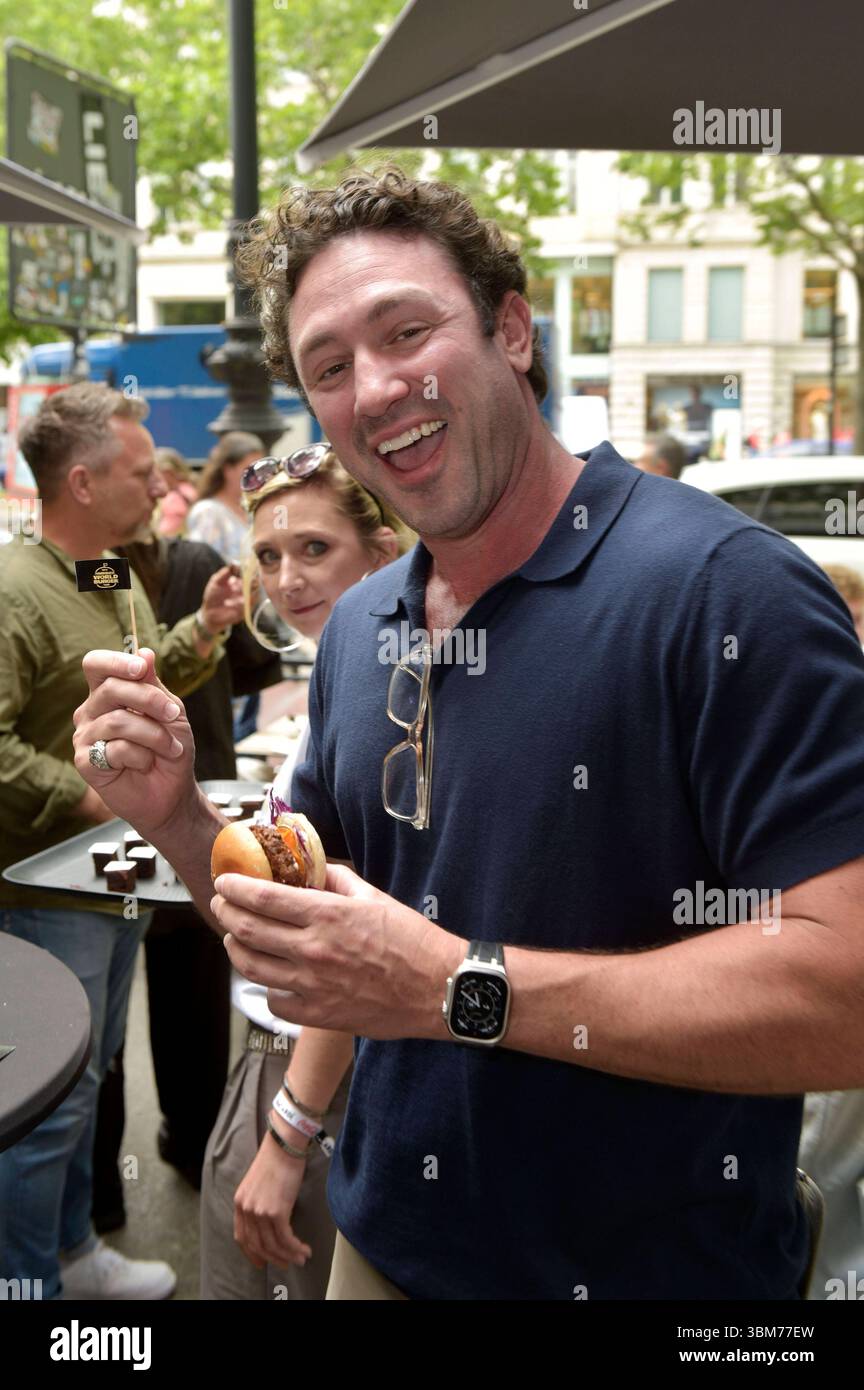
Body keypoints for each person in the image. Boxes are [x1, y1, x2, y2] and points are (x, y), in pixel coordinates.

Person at [72, 165, 864, 1302]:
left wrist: (456, 984)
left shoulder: (724, 594)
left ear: (512, 329)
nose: (378, 387)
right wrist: (181, 816)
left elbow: (845, 992)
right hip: (384, 1247)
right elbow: (317, 930)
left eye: (407, 330)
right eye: (330, 367)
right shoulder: (359, 626)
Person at [0, 382, 243, 1302]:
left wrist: (205, 630)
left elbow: (138, 676)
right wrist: (93, 797)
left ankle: (70, 1258)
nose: (158, 489)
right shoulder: (14, 588)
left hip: (108, 883)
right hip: (42, 895)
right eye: (140, 473)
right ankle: (33, 1287)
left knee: (87, 1079)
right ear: (81, 480)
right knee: (45, 1110)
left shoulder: (105, 571)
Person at [199, 447, 411, 1299]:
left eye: (316, 549)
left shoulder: (386, 693)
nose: (287, 578)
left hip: (312, 1070)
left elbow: (352, 932)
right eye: (270, 556)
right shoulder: (348, 673)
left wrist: (288, 1131)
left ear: (385, 553)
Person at [88, 517, 285, 1229]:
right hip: (103, 826)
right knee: (101, 1035)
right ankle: (109, 1196)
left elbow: (220, 661)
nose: (158, 491)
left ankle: (172, 1152)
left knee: (185, 986)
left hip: (180, 805)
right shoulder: (95, 571)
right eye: (139, 473)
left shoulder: (142, 566)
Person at [187, 432, 268, 743]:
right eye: (250, 467)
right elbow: (202, 564)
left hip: (250, 621)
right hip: (229, 625)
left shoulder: (246, 509)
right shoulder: (209, 512)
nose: (257, 474)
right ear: (228, 468)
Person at [153, 447, 198, 538]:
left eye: (155, 473)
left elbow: (164, 534)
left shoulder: (175, 499)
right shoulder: (191, 490)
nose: (153, 479)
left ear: (168, 472)